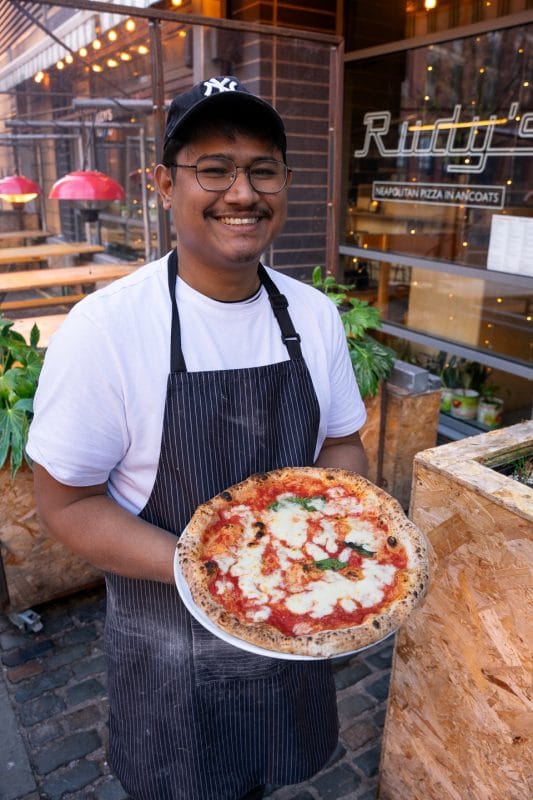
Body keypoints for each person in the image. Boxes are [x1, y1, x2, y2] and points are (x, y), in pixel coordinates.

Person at [27, 75, 368, 800]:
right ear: (161, 183)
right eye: (213, 168)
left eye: (261, 169)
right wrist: (216, 572)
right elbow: (66, 502)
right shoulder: (107, 329)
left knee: (274, 773)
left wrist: (340, 539)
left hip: (297, 622)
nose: (241, 192)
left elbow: (340, 442)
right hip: (168, 653)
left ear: (284, 182)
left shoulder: (313, 316)